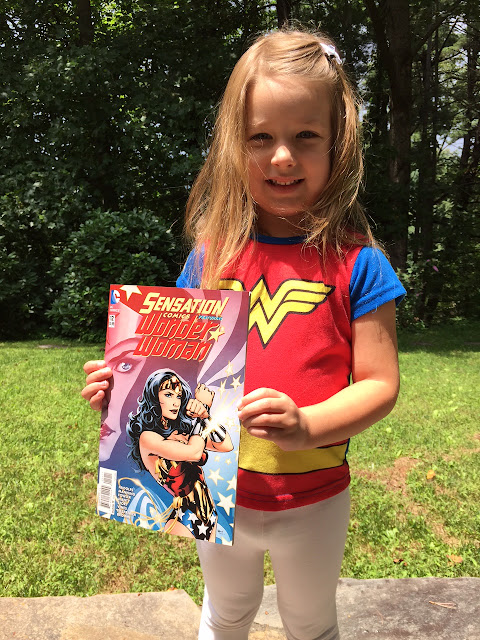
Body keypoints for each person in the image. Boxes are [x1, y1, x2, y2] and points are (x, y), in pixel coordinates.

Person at [82, 28, 406, 640]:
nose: (282, 156)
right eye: (261, 138)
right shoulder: (210, 258)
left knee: (310, 621)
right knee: (225, 612)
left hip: (314, 497)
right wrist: (121, 391)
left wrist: (308, 424)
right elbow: (175, 373)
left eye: (305, 136)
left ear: (338, 144)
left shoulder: (358, 264)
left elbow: (380, 385)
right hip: (213, 487)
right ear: (235, 145)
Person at [125, 369, 233, 542]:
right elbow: (194, 453)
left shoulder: (182, 432)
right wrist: (203, 408)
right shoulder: (148, 438)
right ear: (154, 397)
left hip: (209, 515)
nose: (176, 402)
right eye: (168, 394)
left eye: (179, 396)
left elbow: (226, 445)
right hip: (184, 519)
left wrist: (206, 416)